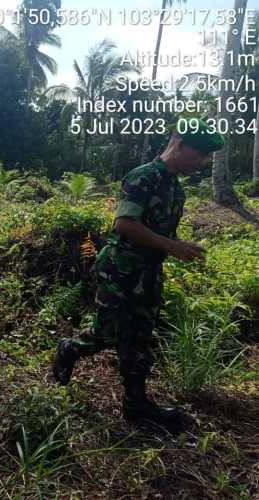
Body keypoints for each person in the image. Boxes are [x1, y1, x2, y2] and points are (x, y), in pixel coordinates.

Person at [52, 118, 225, 429]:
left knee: (140, 339)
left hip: (148, 273)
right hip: (120, 271)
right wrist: (172, 246)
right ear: (179, 144)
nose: (201, 162)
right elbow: (125, 225)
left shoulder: (176, 189)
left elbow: (159, 235)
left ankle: (136, 405)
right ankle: (70, 348)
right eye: (199, 154)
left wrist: (174, 249)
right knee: (106, 333)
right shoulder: (143, 177)